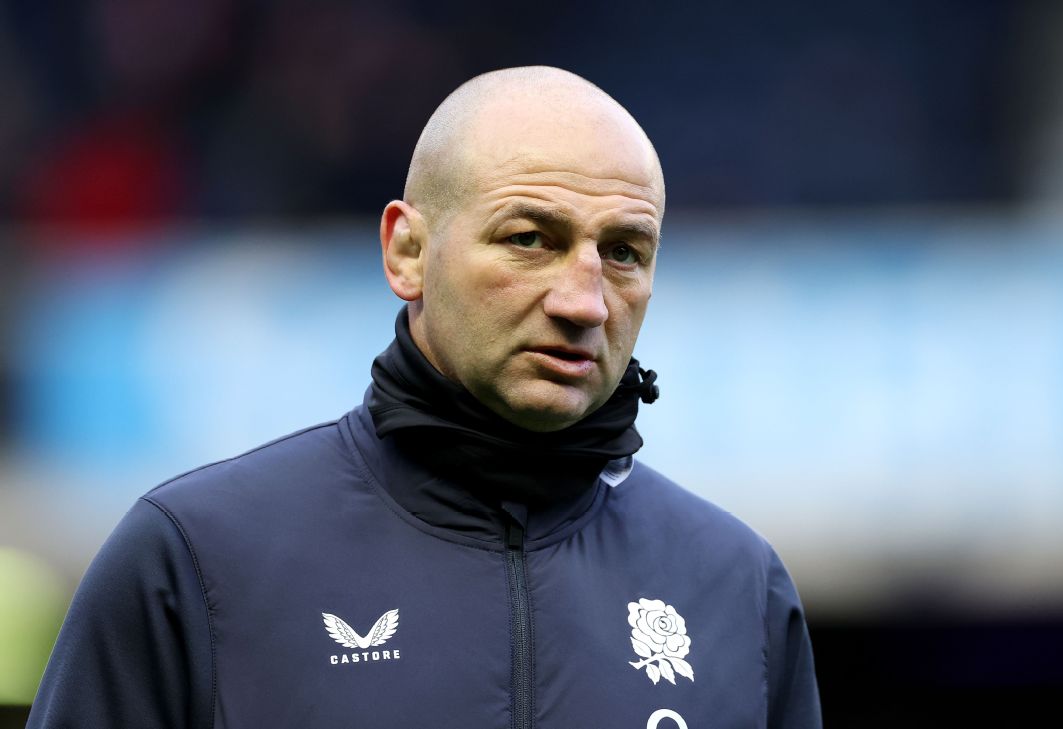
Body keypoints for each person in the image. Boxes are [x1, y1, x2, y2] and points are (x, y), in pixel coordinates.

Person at [27, 66, 822, 729]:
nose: (584, 301)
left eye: (623, 252)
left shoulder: (738, 588)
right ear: (407, 251)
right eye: (529, 239)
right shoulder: (194, 559)